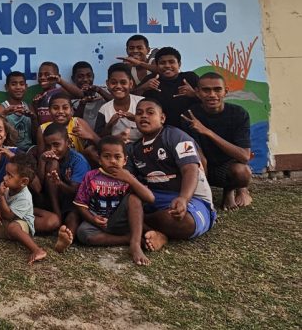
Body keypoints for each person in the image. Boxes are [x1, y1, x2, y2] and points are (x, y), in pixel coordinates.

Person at [129, 98, 216, 251]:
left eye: (150, 113)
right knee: (120, 206)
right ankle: (152, 229)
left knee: (182, 222)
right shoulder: (134, 148)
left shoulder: (176, 136)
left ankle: (146, 227)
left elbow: (190, 169)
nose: (144, 116)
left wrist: (183, 198)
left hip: (191, 198)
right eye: (139, 113)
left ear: (162, 118)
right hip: (155, 198)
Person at [62, 136, 154, 266]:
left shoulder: (128, 177)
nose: (112, 161)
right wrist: (92, 219)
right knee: (83, 234)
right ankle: (128, 239)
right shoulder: (91, 176)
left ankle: (135, 244)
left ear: (125, 160)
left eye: (117, 157)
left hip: (121, 221)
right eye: (107, 157)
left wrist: (130, 180)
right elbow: (80, 204)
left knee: (134, 198)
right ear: (99, 159)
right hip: (98, 224)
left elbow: (150, 198)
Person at [181, 72, 253, 210]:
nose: (212, 94)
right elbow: (198, 157)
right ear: (197, 92)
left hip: (228, 165)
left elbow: (244, 156)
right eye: (206, 90)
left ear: (225, 91)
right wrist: (206, 198)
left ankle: (230, 190)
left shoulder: (238, 114)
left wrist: (208, 132)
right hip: (202, 166)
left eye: (217, 89)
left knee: (243, 173)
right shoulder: (189, 115)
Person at [0, 153, 47, 264]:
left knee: (13, 227)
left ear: (23, 181)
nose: (4, 177)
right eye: (6, 173)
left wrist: (1, 196)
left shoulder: (25, 197)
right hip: (4, 223)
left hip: (21, 226)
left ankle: (37, 250)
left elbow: (8, 215)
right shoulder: (7, 187)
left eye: (9, 175)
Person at [36, 123, 91, 250]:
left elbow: (76, 192)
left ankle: (65, 238)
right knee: (52, 163)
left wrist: (59, 183)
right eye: (47, 146)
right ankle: (57, 217)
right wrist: (42, 162)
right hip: (52, 200)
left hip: (73, 200)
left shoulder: (78, 160)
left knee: (73, 216)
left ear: (68, 142)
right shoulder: (46, 157)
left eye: (56, 144)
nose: (52, 149)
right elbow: (39, 185)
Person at [135, 47, 199, 127]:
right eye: (162, 63)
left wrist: (194, 94)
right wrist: (143, 88)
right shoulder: (151, 79)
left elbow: (208, 100)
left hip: (190, 129)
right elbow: (132, 99)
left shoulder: (190, 77)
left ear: (179, 64)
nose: (167, 66)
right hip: (160, 130)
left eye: (171, 62)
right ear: (157, 65)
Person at [35, 92, 100, 167]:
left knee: (91, 150)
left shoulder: (77, 122)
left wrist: (90, 136)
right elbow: (41, 158)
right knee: (53, 163)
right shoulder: (42, 129)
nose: (60, 112)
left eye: (65, 108)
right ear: (49, 110)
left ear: (72, 110)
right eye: (55, 108)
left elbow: (101, 144)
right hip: (55, 164)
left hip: (78, 164)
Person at [94, 63, 143, 143]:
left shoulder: (141, 103)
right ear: (107, 84)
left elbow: (154, 127)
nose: (118, 86)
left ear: (130, 84)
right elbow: (99, 137)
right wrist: (109, 125)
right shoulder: (104, 109)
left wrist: (135, 118)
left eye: (123, 83)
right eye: (113, 83)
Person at [0, 71, 36, 153]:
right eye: (14, 84)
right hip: (9, 150)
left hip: (28, 150)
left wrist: (34, 118)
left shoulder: (29, 107)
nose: (18, 87)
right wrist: (4, 114)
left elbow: (35, 133)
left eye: (21, 84)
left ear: (26, 87)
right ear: (7, 87)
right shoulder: (1, 108)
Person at [32, 62, 83, 126]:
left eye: (47, 75)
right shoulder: (39, 97)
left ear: (58, 76)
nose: (42, 77)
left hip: (61, 133)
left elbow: (80, 94)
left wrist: (60, 81)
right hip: (45, 133)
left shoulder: (61, 91)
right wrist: (36, 105)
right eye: (40, 75)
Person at [71, 61, 111, 129]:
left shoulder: (104, 91)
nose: (85, 79)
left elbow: (116, 102)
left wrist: (98, 90)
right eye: (80, 76)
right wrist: (83, 103)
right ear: (73, 79)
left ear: (93, 76)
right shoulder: (73, 101)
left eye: (89, 76)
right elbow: (74, 122)